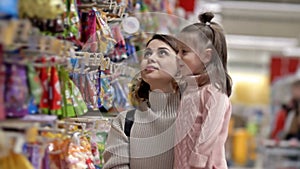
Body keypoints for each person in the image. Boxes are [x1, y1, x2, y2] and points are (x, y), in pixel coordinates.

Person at [103, 34, 182, 169]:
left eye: (162, 53)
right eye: (147, 54)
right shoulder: (124, 122)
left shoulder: (196, 120)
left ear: (181, 65)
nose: (150, 58)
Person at [173, 12, 232, 169]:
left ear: (206, 56)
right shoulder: (189, 90)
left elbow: (210, 130)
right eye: (177, 51)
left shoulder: (214, 91)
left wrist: (197, 161)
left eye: (184, 52)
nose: (177, 56)